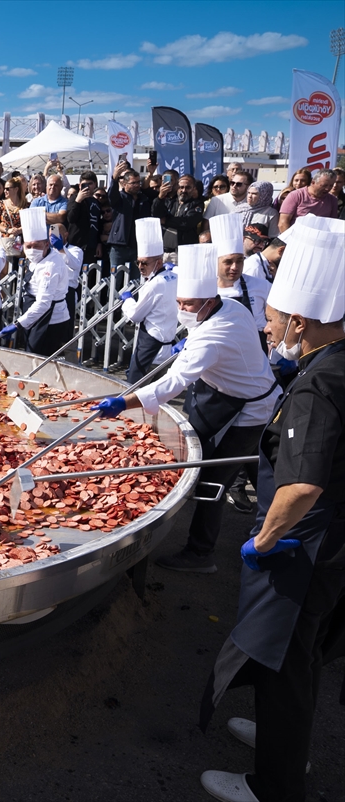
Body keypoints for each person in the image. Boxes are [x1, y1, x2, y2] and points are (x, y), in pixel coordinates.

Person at [197, 215, 344, 802]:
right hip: (333, 543)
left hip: (305, 550)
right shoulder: (332, 364)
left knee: (284, 659)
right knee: (299, 657)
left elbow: (302, 485)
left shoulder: (319, 384)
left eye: (277, 317)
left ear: (302, 319)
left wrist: (262, 540)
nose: (269, 323)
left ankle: (275, 786)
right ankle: (283, 742)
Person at [93, 243, 280, 575]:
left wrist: (124, 402)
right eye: (178, 302)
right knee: (255, 466)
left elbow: (173, 383)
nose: (182, 310)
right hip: (232, 393)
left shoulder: (212, 335)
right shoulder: (230, 307)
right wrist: (188, 339)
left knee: (213, 480)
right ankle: (271, 515)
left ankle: (201, 553)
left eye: (188, 304)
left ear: (209, 302)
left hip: (250, 410)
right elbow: (201, 338)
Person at [0, 207, 70, 355]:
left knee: (40, 358)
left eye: (36, 246)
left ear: (46, 244)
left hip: (50, 318)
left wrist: (18, 324)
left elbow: (44, 303)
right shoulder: (37, 258)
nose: (32, 250)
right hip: (35, 314)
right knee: (30, 353)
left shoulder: (50, 265)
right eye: (28, 246)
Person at [121, 218, 179, 383]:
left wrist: (127, 300)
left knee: (134, 390)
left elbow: (135, 316)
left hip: (150, 347)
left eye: (145, 263)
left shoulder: (154, 284)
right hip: (166, 345)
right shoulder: (173, 276)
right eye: (138, 262)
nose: (140, 267)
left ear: (159, 262)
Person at [211, 213, 269, 348]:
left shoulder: (262, 286)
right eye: (228, 262)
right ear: (216, 261)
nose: (235, 267)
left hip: (255, 351)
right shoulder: (206, 290)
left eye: (239, 261)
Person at [153, 174, 204, 249]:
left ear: (193, 189)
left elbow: (187, 222)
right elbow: (156, 215)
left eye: (188, 187)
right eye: (181, 187)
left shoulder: (197, 204)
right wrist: (160, 197)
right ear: (177, 187)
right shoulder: (169, 201)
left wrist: (166, 220)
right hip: (164, 249)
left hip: (184, 249)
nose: (184, 190)